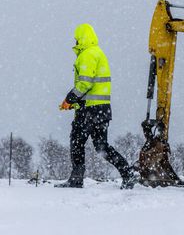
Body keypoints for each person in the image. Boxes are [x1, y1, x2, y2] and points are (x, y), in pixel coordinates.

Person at [56, 23, 138, 189]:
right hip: (101, 110)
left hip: (89, 111)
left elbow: (85, 83)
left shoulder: (87, 54)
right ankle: (127, 173)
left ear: (81, 37)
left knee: (77, 141)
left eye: (76, 38)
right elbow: (94, 87)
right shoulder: (98, 53)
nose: (75, 41)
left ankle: (76, 178)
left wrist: (69, 99)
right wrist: (76, 102)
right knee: (102, 146)